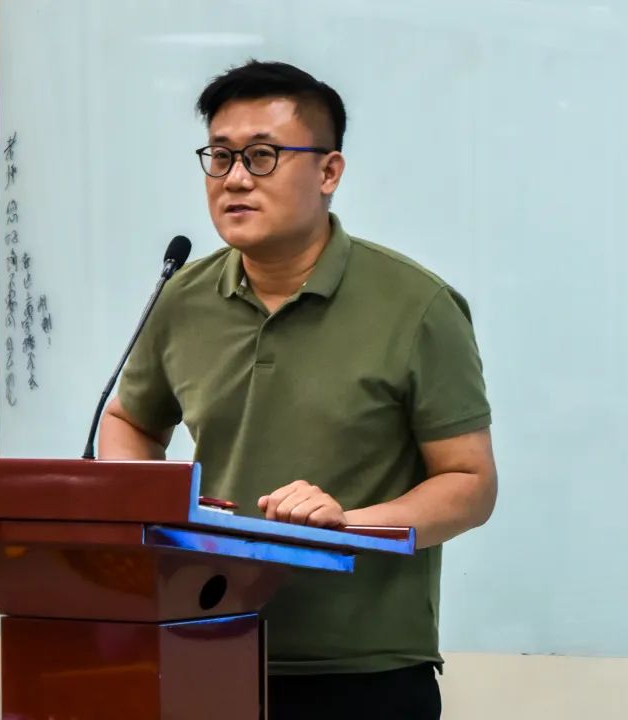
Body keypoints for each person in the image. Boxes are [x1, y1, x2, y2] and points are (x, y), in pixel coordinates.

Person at [97, 59, 497, 720]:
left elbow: (470, 482)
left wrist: (347, 523)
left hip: (362, 670)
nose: (234, 179)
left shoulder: (417, 306)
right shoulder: (183, 298)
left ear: (329, 172)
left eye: (262, 156)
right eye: (220, 156)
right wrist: (151, 508)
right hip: (203, 641)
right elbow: (130, 421)